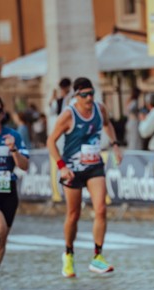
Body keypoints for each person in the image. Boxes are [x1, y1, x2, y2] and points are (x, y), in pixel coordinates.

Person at [46, 77, 123, 278]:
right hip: (72, 169)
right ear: (76, 96)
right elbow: (50, 142)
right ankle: (69, 253)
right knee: (74, 214)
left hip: (94, 166)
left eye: (91, 94)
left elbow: (108, 125)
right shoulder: (68, 115)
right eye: (84, 95)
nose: (89, 98)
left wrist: (115, 144)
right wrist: (61, 167)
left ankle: (97, 256)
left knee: (101, 209)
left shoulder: (100, 109)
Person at [0, 97, 29, 266]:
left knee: (2, 239)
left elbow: (24, 166)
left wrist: (13, 150)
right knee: (0, 230)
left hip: (7, 189)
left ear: (2, 114)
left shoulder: (13, 136)